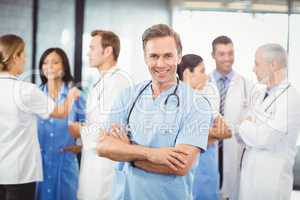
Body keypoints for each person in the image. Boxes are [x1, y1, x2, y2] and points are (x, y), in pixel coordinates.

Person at [96, 24, 212, 200]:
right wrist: (152, 154)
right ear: (145, 57)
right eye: (154, 56)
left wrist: (127, 152)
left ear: (179, 57)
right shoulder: (128, 96)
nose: (160, 64)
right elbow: (103, 147)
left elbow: (180, 166)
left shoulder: (197, 105)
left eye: (168, 56)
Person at [0, 35, 79, 200]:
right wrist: (71, 96)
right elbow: (61, 112)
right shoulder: (27, 90)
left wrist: (83, 144)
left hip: (59, 166)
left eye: (55, 62)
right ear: (15, 56)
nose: (25, 60)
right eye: (24, 55)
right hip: (20, 174)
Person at [237, 43, 300, 200]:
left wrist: (244, 124)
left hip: (270, 184)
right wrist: (248, 127)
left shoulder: (290, 98)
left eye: (257, 63)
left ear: (273, 65)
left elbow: (263, 138)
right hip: (251, 178)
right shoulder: (262, 95)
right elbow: (248, 134)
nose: (253, 69)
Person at [75, 30, 132, 200]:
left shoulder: (117, 81)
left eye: (92, 48)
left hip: (106, 166)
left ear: (107, 51)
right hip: (94, 163)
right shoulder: (101, 81)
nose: (88, 53)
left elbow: (108, 129)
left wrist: (79, 130)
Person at [177, 54, 231, 200]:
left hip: (207, 168)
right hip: (183, 168)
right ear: (188, 74)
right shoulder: (174, 99)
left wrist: (203, 135)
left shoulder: (207, 96)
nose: (206, 76)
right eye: (202, 71)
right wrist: (210, 135)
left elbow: (226, 131)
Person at [36, 48, 85, 200]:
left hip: (66, 164)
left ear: (64, 68)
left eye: (55, 62)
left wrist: (81, 145)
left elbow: (87, 124)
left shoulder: (77, 96)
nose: (49, 66)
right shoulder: (35, 96)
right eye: (45, 62)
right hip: (39, 166)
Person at [210, 35, 253, 200]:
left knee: (232, 192)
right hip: (209, 148)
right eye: (222, 54)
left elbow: (251, 119)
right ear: (213, 55)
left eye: (230, 53)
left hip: (234, 149)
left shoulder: (245, 85)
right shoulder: (203, 83)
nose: (227, 58)